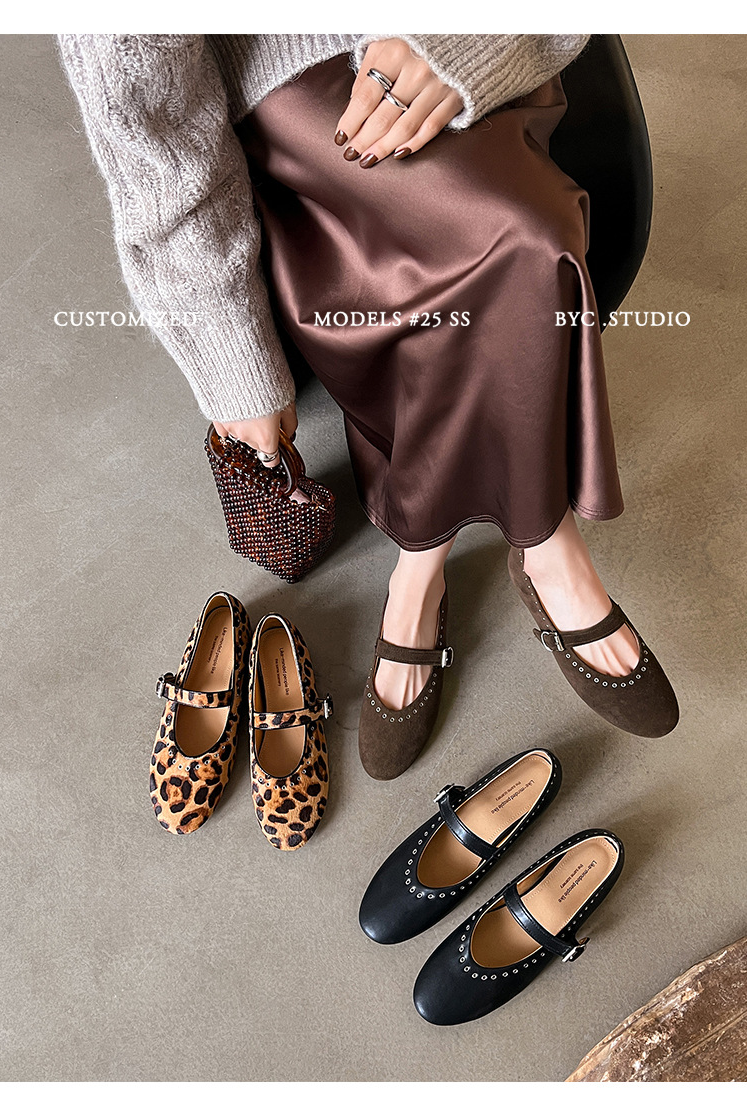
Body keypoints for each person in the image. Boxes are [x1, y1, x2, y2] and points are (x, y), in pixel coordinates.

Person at [59, 33, 678, 781]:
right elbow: (145, 119)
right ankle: (541, 547)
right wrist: (229, 356)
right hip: (284, 68)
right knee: (507, 239)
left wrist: (474, 37)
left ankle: (434, 565)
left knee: (524, 234)